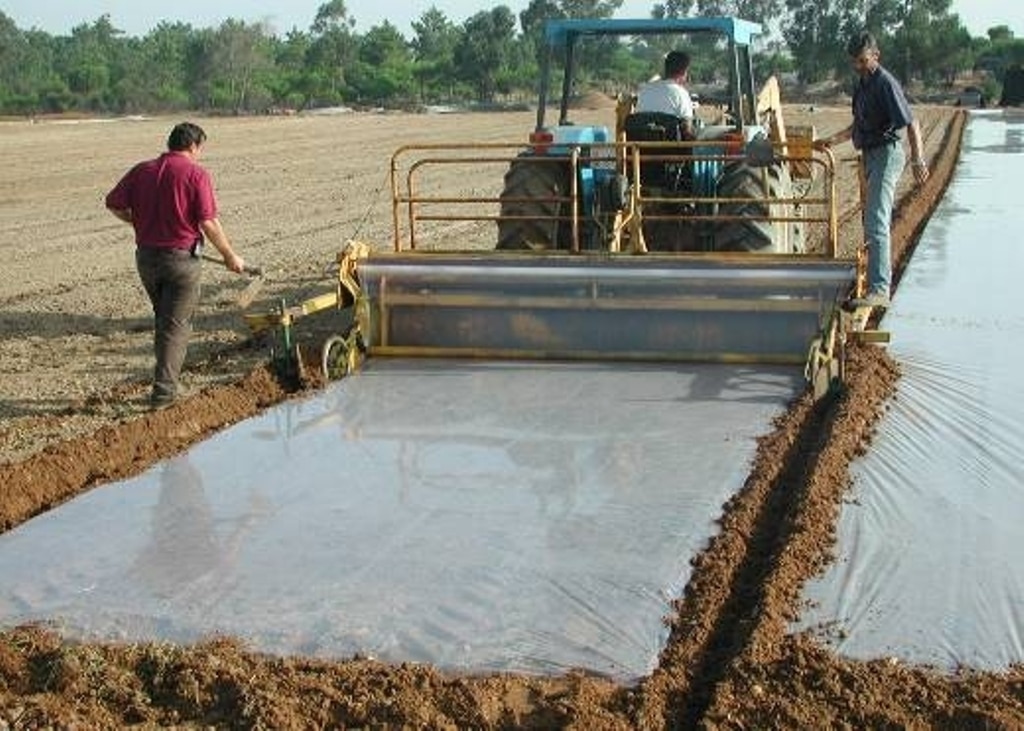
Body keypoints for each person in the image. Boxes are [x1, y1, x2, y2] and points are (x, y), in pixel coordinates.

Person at [106, 122, 246, 408]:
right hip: (181, 262)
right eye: (200, 149)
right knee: (176, 327)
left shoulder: (141, 170)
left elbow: (113, 203)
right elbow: (208, 222)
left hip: (146, 259)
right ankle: (164, 396)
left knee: (164, 321)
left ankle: (164, 382)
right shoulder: (195, 174)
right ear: (193, 146)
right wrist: (231, 256)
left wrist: (138, 221)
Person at [817, 31, 929, 309]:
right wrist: (831, 140)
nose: (858, 65)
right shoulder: (863, 84)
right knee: (869, 220)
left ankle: (880, 290)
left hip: (887, 156)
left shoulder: (884, 83)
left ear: (875, 56)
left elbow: (911, 123)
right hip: (869, 154)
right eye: (854, 61)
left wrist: (918, 159)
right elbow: (859, 126)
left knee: (877, 220)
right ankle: (868, 280)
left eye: (863, 60)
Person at [635, 50, 696, 139]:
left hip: (641, 151)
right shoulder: (681, 93)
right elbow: (687, 131)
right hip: (672, 151)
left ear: (666, 69)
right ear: (684, 72)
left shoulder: (645, 91)